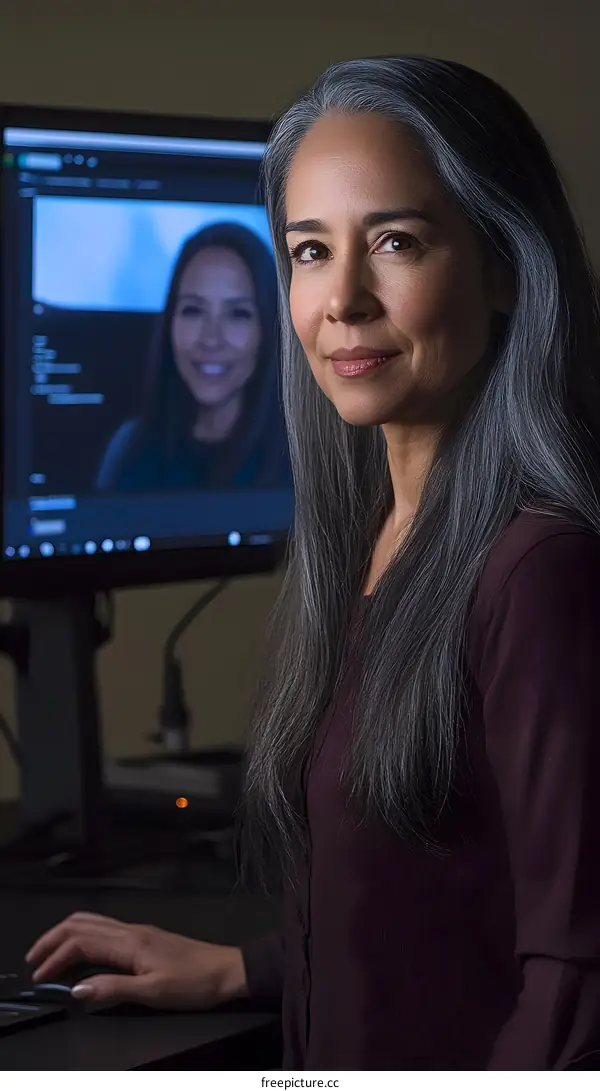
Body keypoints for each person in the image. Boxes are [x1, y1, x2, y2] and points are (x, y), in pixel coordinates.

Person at [27, 56, 600, 1070]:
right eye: (307, 250)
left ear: (505, 264)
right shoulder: (378, 537)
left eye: (396, 241)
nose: (344, 299)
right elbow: (432, 914)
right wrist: (245, 968)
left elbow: (577, 977)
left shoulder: (539, 573)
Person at [95, 220, 291, 490]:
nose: (211, 339)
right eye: (194, 310)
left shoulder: (303, 459)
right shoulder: (130, 450)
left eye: (237, 314)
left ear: (268, 329)